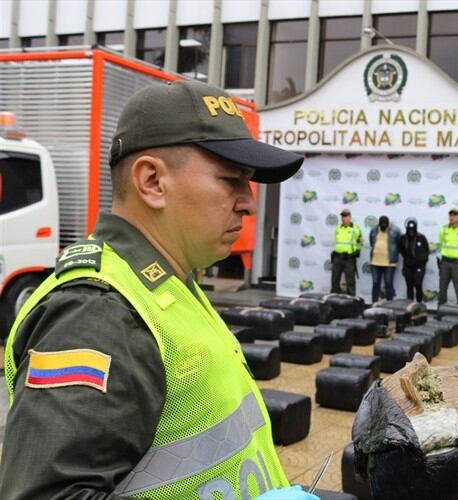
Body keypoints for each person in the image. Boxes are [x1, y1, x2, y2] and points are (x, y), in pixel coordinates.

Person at [0, 80, 317, 499]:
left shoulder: (169, 280)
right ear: (152, 181)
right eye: (231, 180)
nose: (249, 201)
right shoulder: (98, 314)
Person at [369, 215, 402, 302]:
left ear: (388, 224)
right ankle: (374, 304)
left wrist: (394, 254)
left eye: (385, 225)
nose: (383, 226)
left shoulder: (396, 230)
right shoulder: (374, 230)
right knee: (375, 284)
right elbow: (371, 242)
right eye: (381, 225)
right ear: (379, 224)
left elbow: (400, 244)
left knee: (388, 283)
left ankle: (389, 305)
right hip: (375, 262)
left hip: (389, 263)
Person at [331, 207, 362, 295]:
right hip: (337, 257)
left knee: (350, 281)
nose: (343, 218)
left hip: (349, 258)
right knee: (334, 279)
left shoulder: (355, 229)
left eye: (345, 216)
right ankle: (333, 300)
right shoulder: (338, 228)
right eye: (342, 216)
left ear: (350, 217)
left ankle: (351, 302)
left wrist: (357, 252)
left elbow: (360, 242)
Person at [398, 219, 430, 301]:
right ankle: (410, 304)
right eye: (409, 229)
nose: (411, 231)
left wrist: (422, 259)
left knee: (418, 284)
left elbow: (427, 250)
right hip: (408, 266)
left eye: (413, 229)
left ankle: (419, 304)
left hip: (419, 266)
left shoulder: (421, 237)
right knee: (409, 286)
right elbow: (401, 250)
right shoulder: (403, 238)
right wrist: (408, 260)